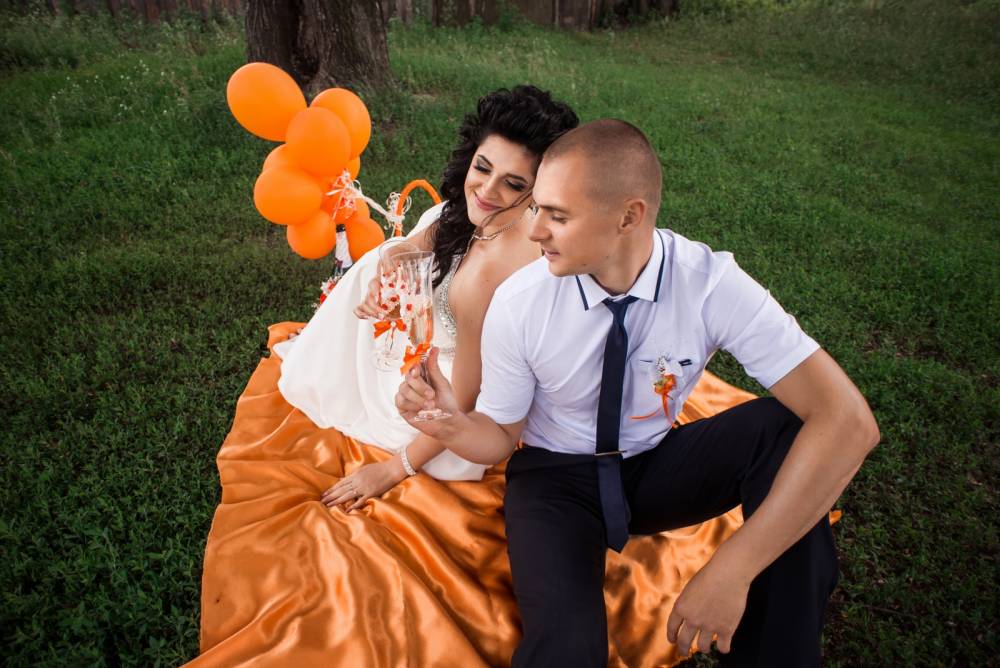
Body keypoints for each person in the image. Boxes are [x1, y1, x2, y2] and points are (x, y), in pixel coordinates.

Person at [396, 119, 881, 666]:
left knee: (785, 429)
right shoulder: (520, 302)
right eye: (538, 209)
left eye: (558, 216)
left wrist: (733, 569)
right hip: (555, 482)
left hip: (654, 464)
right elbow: (501, 436)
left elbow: (850, 422)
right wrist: (453, 425)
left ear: (629, 217)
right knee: (567, 649)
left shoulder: (708, 283)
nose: (536, 232)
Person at [275, 85, 579, 505]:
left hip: (442, 401)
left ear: (538, 191)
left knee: (372, 302)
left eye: (512, 184)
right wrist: (387, 277)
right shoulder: (481, 214)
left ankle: (345, 367)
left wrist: (392, 468)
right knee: (379, 257)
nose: (487, 191)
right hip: (426, 341)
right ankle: (340, 345)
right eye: (482, 167)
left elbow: (462, 407)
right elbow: (410, 247)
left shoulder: (489, 277)